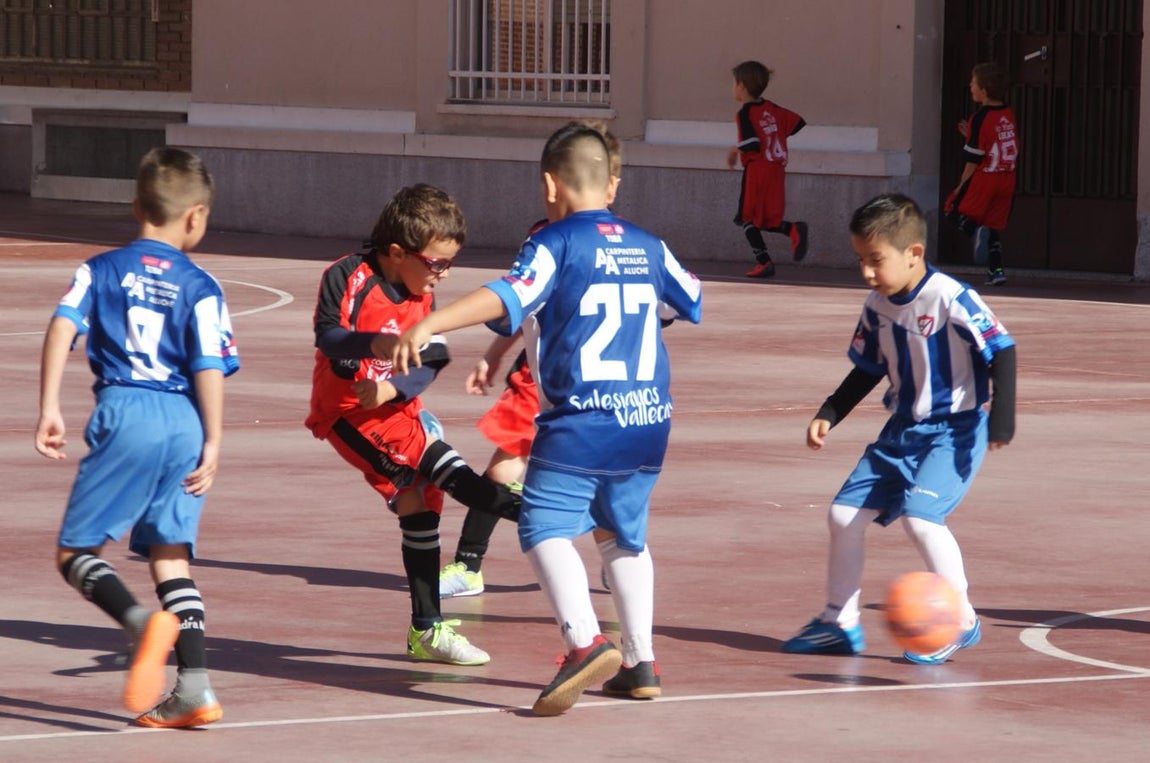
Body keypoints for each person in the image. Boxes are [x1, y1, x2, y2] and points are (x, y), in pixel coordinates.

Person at [391, 123, 703, 715]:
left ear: (550, 185)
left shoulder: (554, 241)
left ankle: (583, 642)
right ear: (610, 184)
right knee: (620, 535)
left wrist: (431, 322)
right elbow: (689, 300)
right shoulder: (650, 245)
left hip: (583, 418)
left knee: (541, 526)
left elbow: (508, 295)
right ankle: (640, 663)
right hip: (648, 417)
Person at [35, 147, 239, 728]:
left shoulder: (99, 270)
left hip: (128, 411)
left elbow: (62, 325)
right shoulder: (202, 285)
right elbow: (208, 364)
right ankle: (195, 688)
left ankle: (139, 622)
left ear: (135, 206)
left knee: (75, 553)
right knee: (170, 556)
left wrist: (49, 406)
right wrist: (214, 441)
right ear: (196, 216)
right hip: (185, 421)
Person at [779, 193, 1015, 663]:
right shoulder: (877, 306)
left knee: (921, 518)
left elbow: (1002, 350)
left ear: (913, 254)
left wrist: (1002, 417)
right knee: (843, 516)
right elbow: (868, 369)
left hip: (954, 430)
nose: (867, 272)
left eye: (876, 260)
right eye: (860, 260)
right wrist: (830, 410)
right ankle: (839, 622)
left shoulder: (951, 298)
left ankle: (961, 618)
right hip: (901, 431)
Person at [304, 183, 521, 668]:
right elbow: (330, 337)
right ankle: (547, 518)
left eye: (450, 264)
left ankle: (426, 630)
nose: (443, 275)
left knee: (420, 505)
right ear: (398, 252)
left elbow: (434, 357)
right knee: (456, 478)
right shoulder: (348, 275)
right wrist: (373, 349)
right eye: (437, 264)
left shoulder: (421, 294)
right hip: (347, 415)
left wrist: (393, 390)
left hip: (396, 409)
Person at [440, 122, 623, 599]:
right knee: (595, 476)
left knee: (506, 468)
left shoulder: (547, 238)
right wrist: (493, 355)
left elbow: (513, 302)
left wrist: (487, 350)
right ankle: (618, 553)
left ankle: (469, 565)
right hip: (601, 383)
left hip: (548, 378)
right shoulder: (627, 242)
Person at [726, 60, 809, 279]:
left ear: (742, 86)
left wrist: (734, 150)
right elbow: (798, 123)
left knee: (747, 218)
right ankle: (792, 230)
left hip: (757, 169)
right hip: (777, 169)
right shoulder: (773, 109)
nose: (733, 88)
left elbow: (751, 144)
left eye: (734, 83)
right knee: (766, 218)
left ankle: (764, 262)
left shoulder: (744, 114)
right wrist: (775, 134)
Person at [944, 61, 1018, 286]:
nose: (970, 86)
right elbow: (993, 139)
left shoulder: (979, 118)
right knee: (992, 226)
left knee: (952, 209)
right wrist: (971, 134)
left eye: (973, 83)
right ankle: (996, 271)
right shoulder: (1008, 113)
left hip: (985, 177)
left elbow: (974, 157)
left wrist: (961, 184)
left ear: (984, 91)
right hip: (1007, 177)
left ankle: (976, 232)